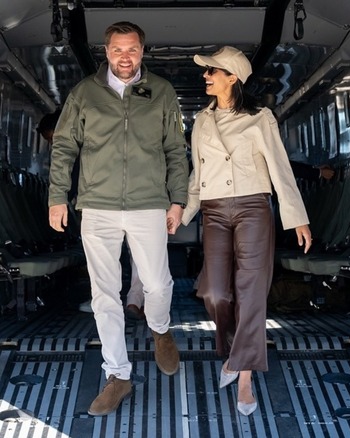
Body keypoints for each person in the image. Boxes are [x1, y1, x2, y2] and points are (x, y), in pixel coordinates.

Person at [48, 21, 189, 416]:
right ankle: (118, 376)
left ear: (143, 51)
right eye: (116, 50)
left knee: (158, 285)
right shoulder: (84, 94)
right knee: (104, 295)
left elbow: (176, 150)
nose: (124, 57)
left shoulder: (161, 91)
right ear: (105, 51)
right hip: (97, 205)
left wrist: (177, 200)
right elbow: (63, 147)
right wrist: (57, 196)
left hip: (148, 203)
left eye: (132, 50)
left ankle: (160, 330)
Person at [176, 46, 311, 416]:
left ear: (232, 77)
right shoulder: (202, 120)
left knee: (251, 290)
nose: (205, 77)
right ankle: (236, 353)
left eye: (212, 72)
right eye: (206, 72)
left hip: (253, 206)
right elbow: (197, 173)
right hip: (214, 209)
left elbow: (280, 166)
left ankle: (246, 374)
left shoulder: (260, 117)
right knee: (216, 291)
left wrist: (296, 215)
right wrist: (183, 213)